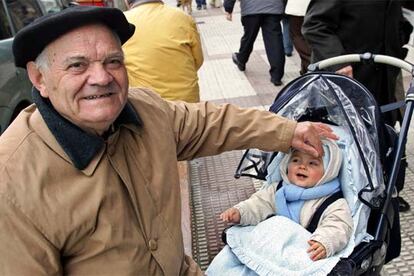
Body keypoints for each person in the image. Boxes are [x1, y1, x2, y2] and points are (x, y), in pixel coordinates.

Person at [0, 5, 338, 275]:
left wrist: (289, 131)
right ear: (39, 78)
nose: (101, 77)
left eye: (113, 61)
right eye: (78, 65)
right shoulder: (11, 180)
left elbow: (213, 123)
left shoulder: (146, 109)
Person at [302, 0, 411, 212]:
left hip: (384, 76)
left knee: (384, 135)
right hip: (346, 81)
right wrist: (337, 60)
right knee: (347, 140)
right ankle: (341, 197)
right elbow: (315, 25)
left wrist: (399, 38)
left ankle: (387, 191)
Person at [220, 139, 353, 261]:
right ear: (286, 163)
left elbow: (338, 225)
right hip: (272, 244)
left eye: (312, 163)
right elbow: (258, 204)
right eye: (295, 160)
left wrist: (324, 241)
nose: (302, 166)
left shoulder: (333, 202)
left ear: (328, 172)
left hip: (303, 251)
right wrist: (241, 212)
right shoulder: (277, 189)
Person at [123, 0, 203, 103]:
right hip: (187, 104)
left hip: (148, 105)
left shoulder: (122, 23)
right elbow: (198, 60)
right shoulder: (182, 17)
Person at [223, 0, 286, 86]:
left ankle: (241, 60)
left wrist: (228, 8)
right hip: (273, 6)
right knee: (274, 40)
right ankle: (277, 76)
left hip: (251, 7)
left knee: (249, 37)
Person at [285, 0, 311, 75]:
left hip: (298, 8)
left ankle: (311, 64)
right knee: (310, 37)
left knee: (298, 37)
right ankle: (305, 69)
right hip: (317, 7)